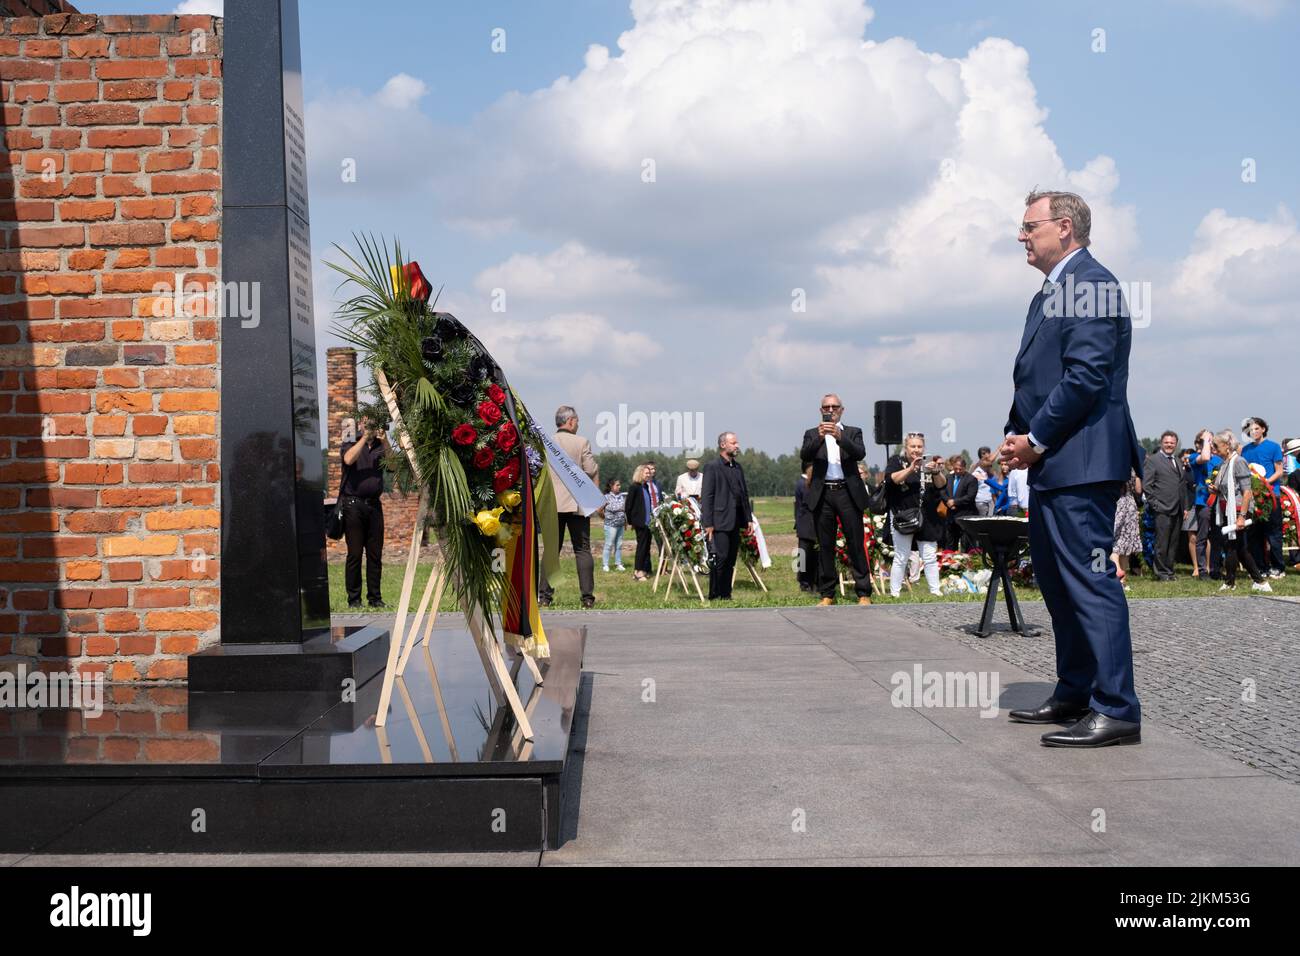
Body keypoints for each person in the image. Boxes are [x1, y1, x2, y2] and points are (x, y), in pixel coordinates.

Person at [1002, 189, 1144, 747]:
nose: (1021, 235)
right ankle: (1077, 691)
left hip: (1081, 460)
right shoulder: (1049, 293)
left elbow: (1085, 377)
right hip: (1054, 461)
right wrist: (1017, 439)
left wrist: (1035, 438)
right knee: (1061, 584)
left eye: (1028, 225)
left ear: (1063, 227)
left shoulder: (1090, 284)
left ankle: (1117, 708)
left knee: (1089, 581)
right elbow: (1035, 376)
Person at [800, 393, 873, 606]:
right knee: (825, 545)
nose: (830, 410)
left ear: (842, 409)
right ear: (821, 410)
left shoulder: (852, 432)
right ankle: (827, 593)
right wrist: (821, 437)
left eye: (834, 407)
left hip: (847, 492)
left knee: (855, 543)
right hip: (823, 492)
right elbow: (805, 455)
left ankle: (863, 592)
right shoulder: (812, 433)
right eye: (826, 407)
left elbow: (859, 453)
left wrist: (840, 436)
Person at [538, 405, 600, 609]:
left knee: (551, 551)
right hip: (577, 504)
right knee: (582, 549)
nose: (578, 424)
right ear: (571, 421)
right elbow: (590, 470)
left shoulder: (546, 443)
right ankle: (587, 597)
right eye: (577, 421)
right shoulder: (582, 442)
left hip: (552, 504)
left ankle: (545, 597)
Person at [885, 433, 947, 597]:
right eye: (913, 446)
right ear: (906, 447)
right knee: (902, 556)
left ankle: (935, 590)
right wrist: (911, 468)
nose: (916, 450)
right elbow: (893, 479)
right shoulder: (897, 461)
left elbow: (941, 485)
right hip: (904, 515)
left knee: (929, 556)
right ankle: (895, 592)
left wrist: (936, 472)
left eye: (919, 446)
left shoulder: (928, 462)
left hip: (927, 517)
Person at [1209, 430, 1271, 592]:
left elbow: (1247, 492)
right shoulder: (1224, 463)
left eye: (1216, 445)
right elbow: (1226, 488)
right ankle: (1260, 582)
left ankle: (1230, 582)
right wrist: (1215, 490)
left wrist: (1242, 516)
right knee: (1240, 548)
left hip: (1238, 511)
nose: (1214, 448)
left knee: (1231, 546)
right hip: (1227, 510)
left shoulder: (1239, 462)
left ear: (1227, 446)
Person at [341, 413, 390, 609]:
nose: (369, 426)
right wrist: (363, 438)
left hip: (374, 505)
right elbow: (348, 459)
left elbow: (393, 465)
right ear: (360, 424)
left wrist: (385, 441)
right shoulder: (350, 440)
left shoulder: (380, 445)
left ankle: (375, 598)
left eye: (373, 423)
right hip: (353, 504)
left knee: (375, 554)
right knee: (354, 554)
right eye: (366, 422)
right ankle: (354, 600)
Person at [700, 432, 753, 600]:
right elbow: (707, 496)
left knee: (730, 559)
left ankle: (726, 594)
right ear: (723, 445)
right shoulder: (712, 466)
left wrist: (749, 518)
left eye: (737, 442)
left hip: (736, 520)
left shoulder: (738, 467)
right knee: (720, 558)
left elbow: (743, 494)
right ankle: (714, 594)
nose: (737, 445)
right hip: (719, 520)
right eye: (734, 442)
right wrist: (708, 523)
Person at [1241, 417, 1285, 579]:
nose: (1254, 432)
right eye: (1251, 430)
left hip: (1270, 495)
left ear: (1263, 430)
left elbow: (1279, 471)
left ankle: (1278, 567)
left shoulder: (1273, 447)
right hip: (1253, 498)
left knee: (1273, 534)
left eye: (1256, 429)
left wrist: (1264, 483)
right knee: (1255, 534)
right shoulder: (1245, 451)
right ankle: (1261, 567)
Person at [1142, 430, 1185, 582]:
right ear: (1161, 443)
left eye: (1172, 443)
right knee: (1161, 543)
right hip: (1161, 509)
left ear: (1176, 444)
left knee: (1173, 543)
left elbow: (1181, 486)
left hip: (1177, 509)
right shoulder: (1153, 460)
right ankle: (1160, 572)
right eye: (1166, 442)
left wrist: (1184, 507)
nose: (1169, 445)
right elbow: (1147, 486)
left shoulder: (1178, 461)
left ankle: (1169, 571)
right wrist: (1155, 504)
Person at [1190, 428, 1223, 579]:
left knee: (1217, 537)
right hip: (1203, 502)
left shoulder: (1219, 460)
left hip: (1218, 502)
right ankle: (1203, 570)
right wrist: (1205, 441)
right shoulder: (1194, 457)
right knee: (1202, 537)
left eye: (1211, 440)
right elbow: (1204, 457)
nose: (1210, 443)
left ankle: (1215, 569)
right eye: (1206, 441)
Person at [625, 460, 664, 581]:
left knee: (646, 547)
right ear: (640, 473)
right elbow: (628, 506)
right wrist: (632, 522)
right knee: (641, 548)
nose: (648, 475)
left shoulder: (645, 487)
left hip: (648, 522)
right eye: (646, 473)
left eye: (649, 473)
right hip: (640, 523)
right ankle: (638, 572)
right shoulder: (634, 487)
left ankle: (643, 570)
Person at [1112, 475, 1141, 592]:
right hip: (1127, 504)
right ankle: (1120, 578)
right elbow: (1138, 490)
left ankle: (1121, 580)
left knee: (1120, 544)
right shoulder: (1131, 469)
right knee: (1122, 545)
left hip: (1118, 503)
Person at [945, 454, 979, 550]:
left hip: (965, 516)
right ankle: (949, 563)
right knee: (950, 543)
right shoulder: (948, 477)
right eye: (956, 469)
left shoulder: (971, 479)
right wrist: (948, 502)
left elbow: (970, 496)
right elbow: (943, 492)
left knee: (967, 544)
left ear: (965, 468)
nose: (958, 471)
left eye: (960, 469)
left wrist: (955, 502)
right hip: (951, 516)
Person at [793, 465, 817, 592]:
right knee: (803, 554)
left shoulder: (809, 483)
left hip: (811, 524)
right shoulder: (802, 484)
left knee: (813, 554)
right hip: (805, 525)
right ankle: (803, 581)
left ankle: (812, 580)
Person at [601, 478, 627, 572]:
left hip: (620, 524)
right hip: (610, 525)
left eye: (619, 485)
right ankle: (605, 564)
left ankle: (618, 563)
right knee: (609, 544)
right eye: (617, 485)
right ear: (611, 486)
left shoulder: (621, 496)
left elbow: (624, 509)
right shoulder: (606, 497)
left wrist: (625, 522)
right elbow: (602, 509)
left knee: (619, 545)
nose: (619, 487)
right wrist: (606, 518)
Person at [972, 446, 996, 516]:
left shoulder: (990, 472)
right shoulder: (976, 472)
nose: (986, 455)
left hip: (991, 501)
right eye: (984, 453)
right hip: (981, 502)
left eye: (988, 453)